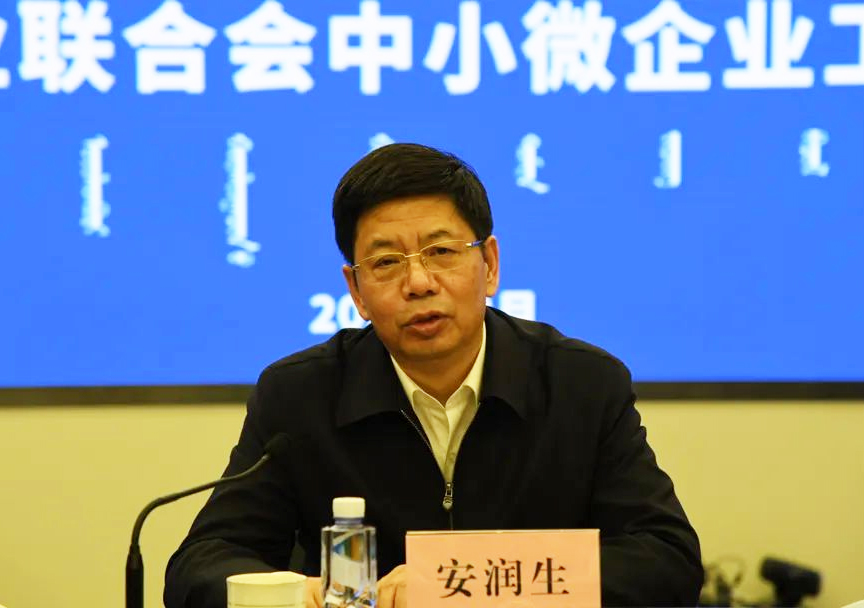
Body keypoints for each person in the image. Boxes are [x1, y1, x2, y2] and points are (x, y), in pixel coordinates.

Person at [164, 143, 703, 608]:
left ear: (490, 265)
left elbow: (665, 559)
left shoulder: (580, 383)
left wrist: (455, 583)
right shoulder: (300, 395)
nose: (419, 282)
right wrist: (301, 593)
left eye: (441, 252)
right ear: (356, 292)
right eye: (386, 262)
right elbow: (201, 565)